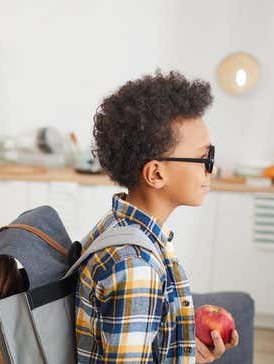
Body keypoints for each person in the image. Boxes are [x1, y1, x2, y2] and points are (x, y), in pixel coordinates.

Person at [75, 71, 239, 363]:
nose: (210, 169)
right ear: (156, 173)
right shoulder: (136, 266)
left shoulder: (114, 226)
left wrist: (188, 356)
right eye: (205, 158)